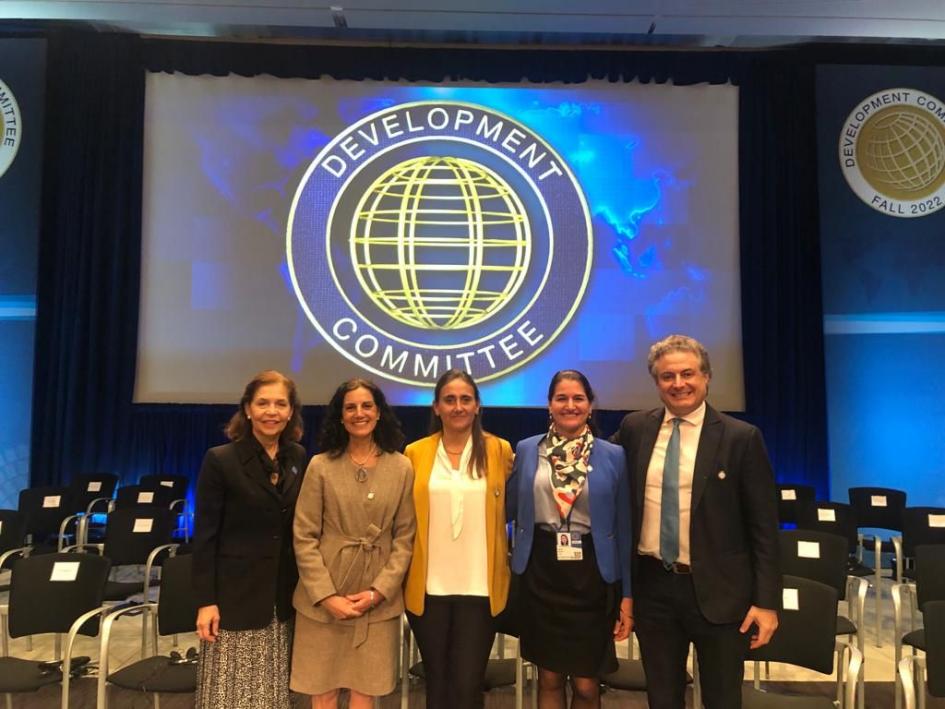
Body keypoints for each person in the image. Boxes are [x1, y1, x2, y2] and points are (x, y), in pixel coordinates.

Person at [610, 334, 780, 709]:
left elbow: (764, 528)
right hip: (653, 589)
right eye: (667, 376)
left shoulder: (741, 438)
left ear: (706, 377)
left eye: (688, 373)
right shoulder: (636, 429)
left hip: (720, 594)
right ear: (656, 383)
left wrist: (767, 602)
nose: (678, 384)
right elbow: (598, 470)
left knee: (721, 699)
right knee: (663, 698)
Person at [507, 369, 632, 709]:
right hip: (541, 572)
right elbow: (510, 508)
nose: (570, 405)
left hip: (592, 576)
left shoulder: (613, 455)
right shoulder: (527, 449)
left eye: (578, 398)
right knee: (547, 676)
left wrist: (627, 595)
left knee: (587, 683)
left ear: (590, 406)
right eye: (561, 398)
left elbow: (623, 529)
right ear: (549, 405)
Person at [290, 378, 415, 708]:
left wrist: (378, 592)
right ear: (340, 417)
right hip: (323, 600)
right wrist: (327, 596)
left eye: (366, 406)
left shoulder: (402, 467)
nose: (359, 413)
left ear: (379, 414)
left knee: (365, 690)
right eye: (351, 407)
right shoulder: (320, 466)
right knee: (323, 690)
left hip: (377, 601)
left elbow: (405, 538)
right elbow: (303, 536)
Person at [192, 370, 307, 709]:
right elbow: (205, 536)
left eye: (280, 404)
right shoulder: (221, 460)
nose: (272, 411)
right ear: (247, 409)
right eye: (263, 403)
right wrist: (205, 601)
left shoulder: (297, 457)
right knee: (232, 692)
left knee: (272, 691)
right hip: (234, 598)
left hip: (281, 596)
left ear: (290, 412)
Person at [403, 369, 515, 709]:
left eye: (465, 399)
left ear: (478, 406)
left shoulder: (499, 451)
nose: (458, 406)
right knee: (437, 684)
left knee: (468, 686)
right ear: (436, 407)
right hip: (428, 588)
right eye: (449, 400)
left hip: (480, 588)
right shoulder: (414, 453)